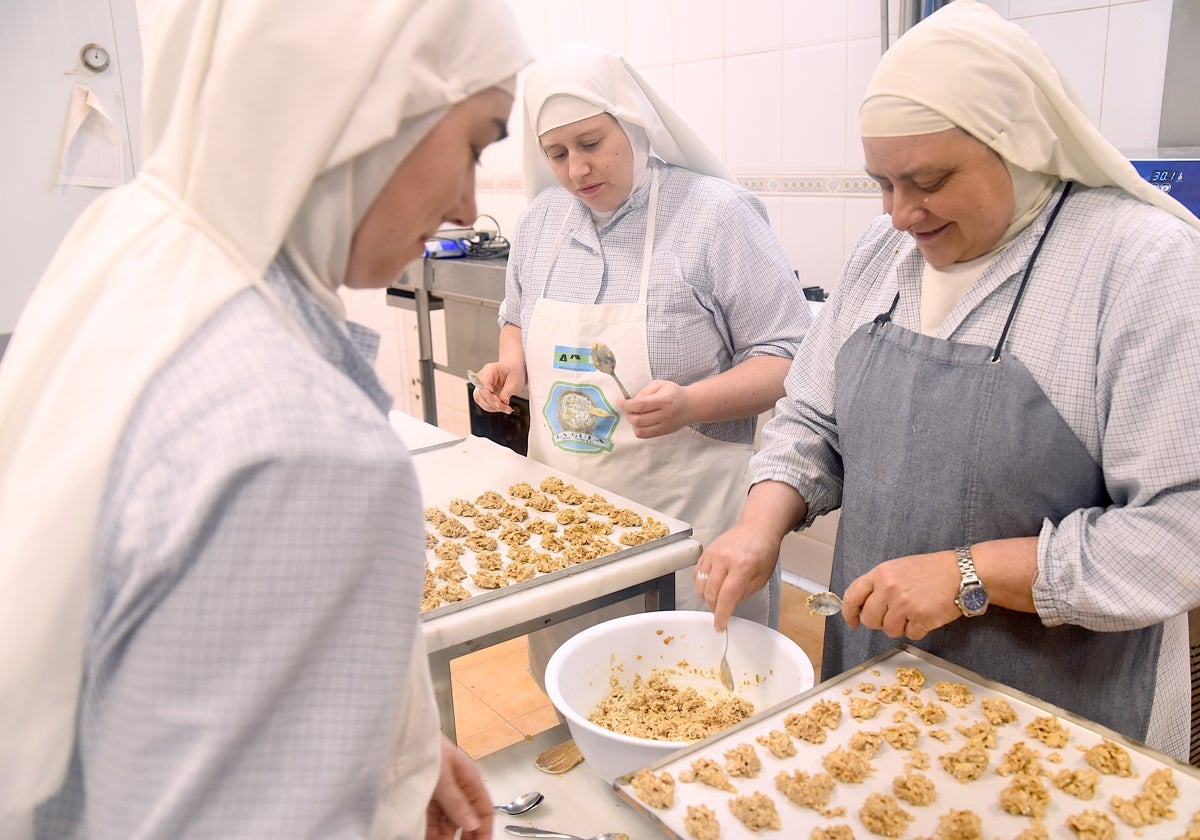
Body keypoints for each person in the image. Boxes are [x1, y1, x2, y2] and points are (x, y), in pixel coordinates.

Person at [0, 1, 531, 837]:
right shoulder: (301, 449)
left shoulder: (144, 247)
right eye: (474, 143)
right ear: (364, 100)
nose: (469, 204)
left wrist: (384, 754)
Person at [697, 0, 1200, 762]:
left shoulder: (1141, 266)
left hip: (1057, 710)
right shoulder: (884, 255)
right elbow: (812, 416)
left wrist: (971, 574)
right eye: (882, 183)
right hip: (879, 676)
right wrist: (759, 524)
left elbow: (1179, 532)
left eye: (928, 180)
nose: (900, 213)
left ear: (1020, 144)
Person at [471, 45, 811, 677]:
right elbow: (515, 313)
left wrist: (692, 403)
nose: (576, 169)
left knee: (698, 688)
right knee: (583, 677)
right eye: (558, 153)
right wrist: (510, 364)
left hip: (690, 511)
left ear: (632, 125)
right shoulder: (543, 220)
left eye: (592, 143)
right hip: (570, 510)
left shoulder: (715, 217)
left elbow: (791, 356)